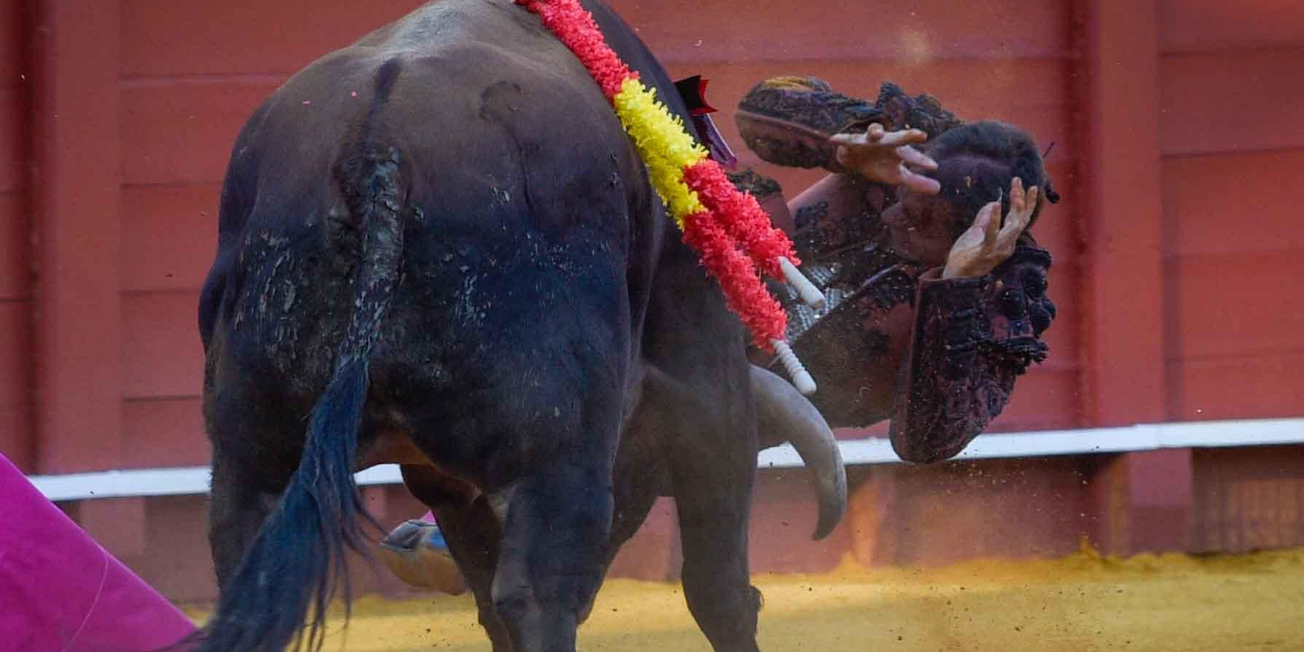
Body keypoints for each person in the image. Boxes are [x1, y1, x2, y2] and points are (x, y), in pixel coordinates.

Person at [377, 76, 1058, 591]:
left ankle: (515, 534)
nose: (892, 221)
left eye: (920, 228)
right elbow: (761, 108)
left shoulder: (1001, 304)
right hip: (699, 292)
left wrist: (958, 288)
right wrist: (848, 138)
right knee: (737, 196)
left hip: (729, 406)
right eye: (901, 207)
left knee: (632, 442)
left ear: (984, 235)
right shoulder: (917, 149)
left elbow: (927, 442)